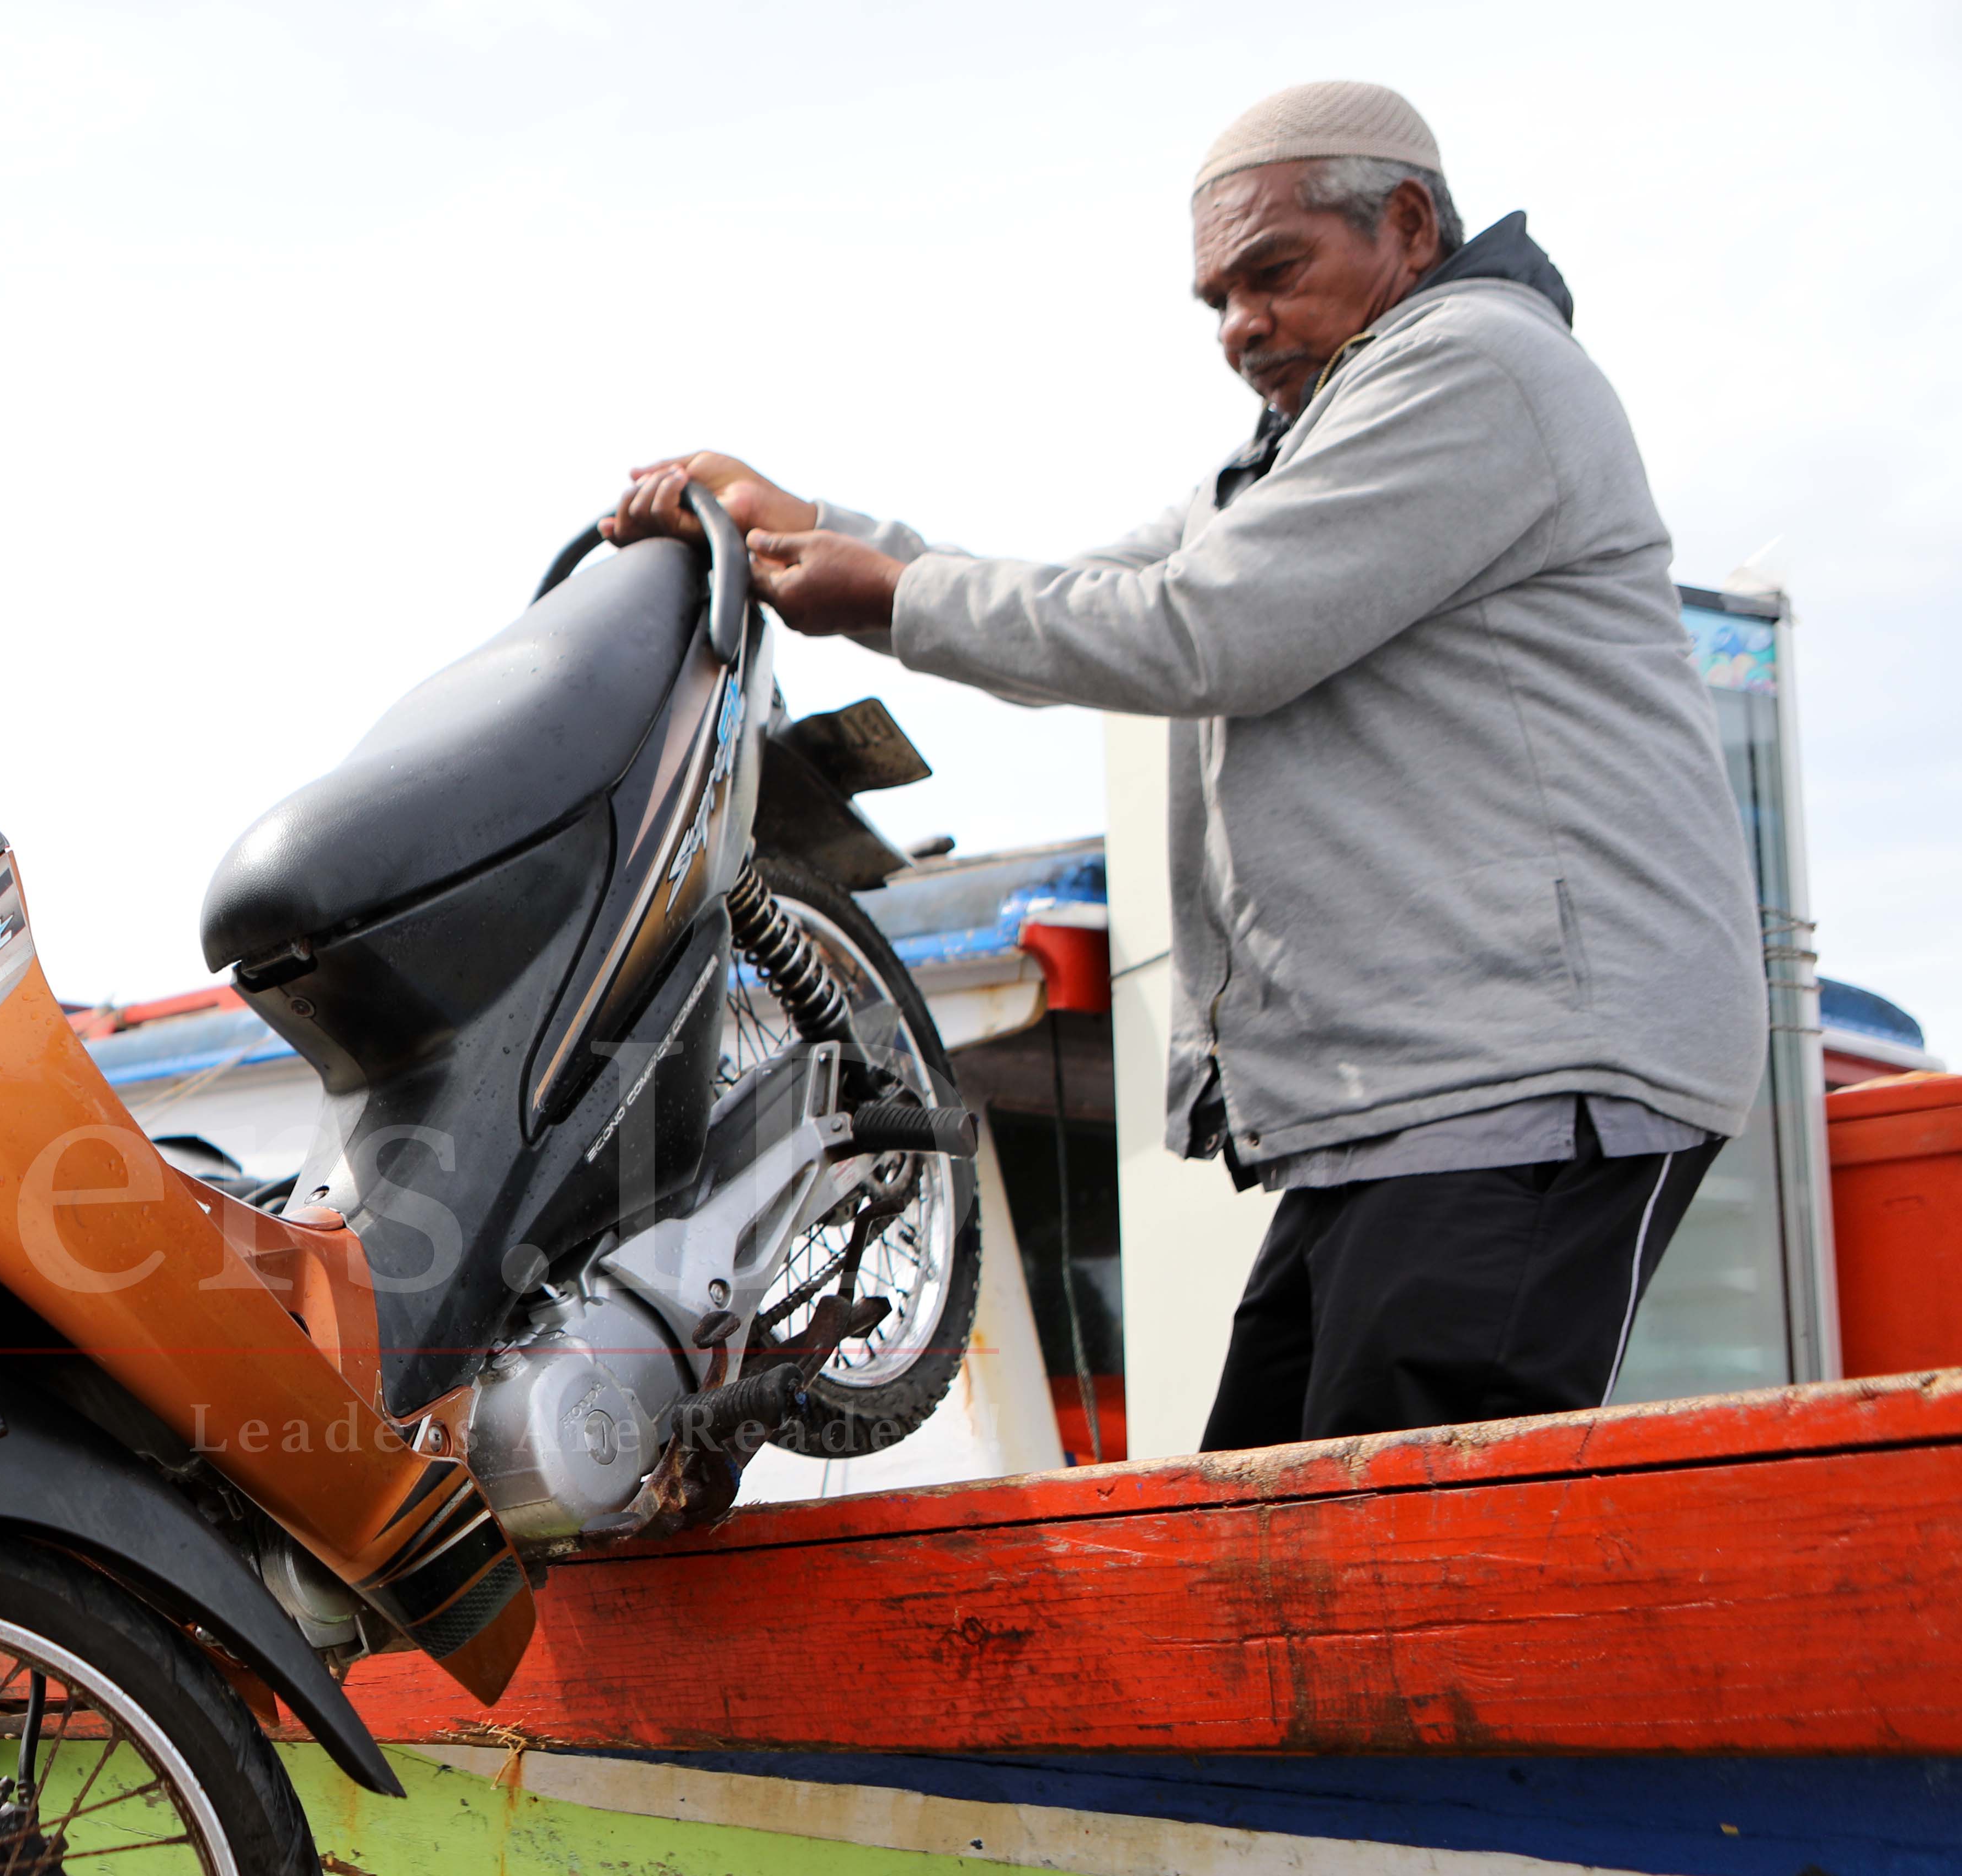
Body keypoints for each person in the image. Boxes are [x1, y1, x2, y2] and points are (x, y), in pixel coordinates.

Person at [611, 80, 1762, 1448]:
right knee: (1257, 1531)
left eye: (1271, 276)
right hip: (1414, 1103)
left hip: (1526, 1083)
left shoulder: (1476, 369)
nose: (1239, 330)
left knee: (1394, 1555)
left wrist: (880, 594)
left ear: (1407, 224)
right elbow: (1107, 587)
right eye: (1215, 300)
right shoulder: (1303, 440)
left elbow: (1203, 630)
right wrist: (815, 524)